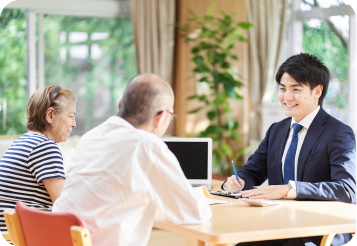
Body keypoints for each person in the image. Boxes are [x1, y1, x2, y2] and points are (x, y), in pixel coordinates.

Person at [53, 73, 212, 246]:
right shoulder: (146, 145)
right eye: (171, 116)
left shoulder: (90, 137)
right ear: (160, 118)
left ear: (120, 104)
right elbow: (193, 213)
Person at [223, 53, 357, 246]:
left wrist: (290, 189)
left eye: (296, 89)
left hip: (318, 230)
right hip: (278, 226)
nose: (287, 97)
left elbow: (346, 189)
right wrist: (239, 180)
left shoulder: (338, 132)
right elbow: (253, 171)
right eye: (282, 89)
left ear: (317, 91)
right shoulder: (277, 129)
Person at [0, 85, 76, 232]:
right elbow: (65, 205)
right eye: (71, 116)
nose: (73, 123)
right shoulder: (45, 147)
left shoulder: (23, 142)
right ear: (50, 115)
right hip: (17, 238)